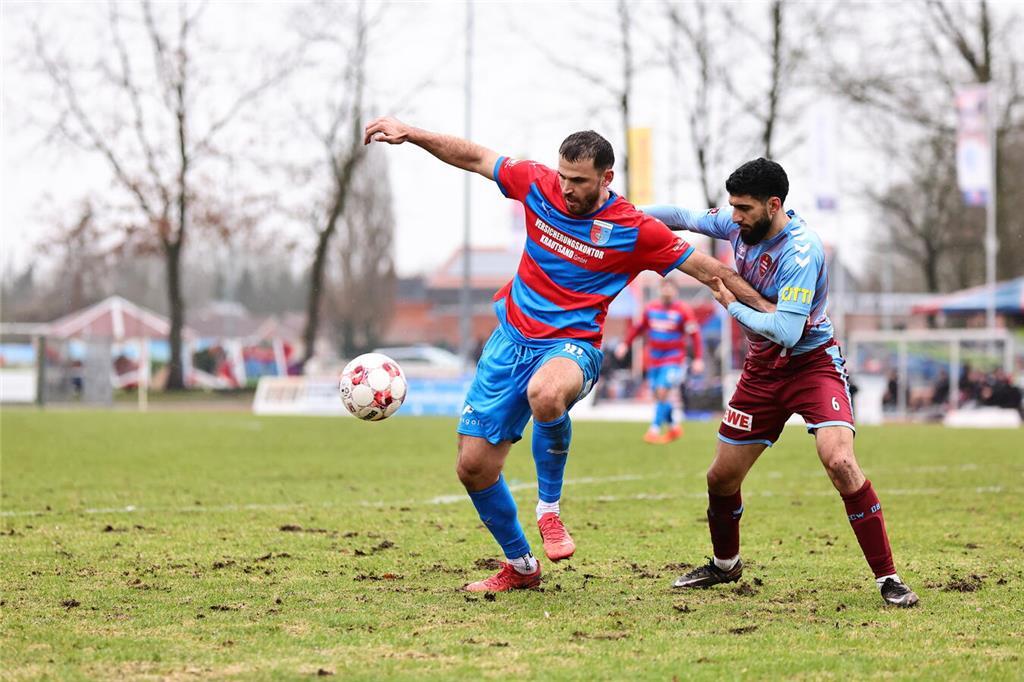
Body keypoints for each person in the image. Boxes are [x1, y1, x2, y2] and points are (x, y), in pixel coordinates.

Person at [364, 116, 772, 592]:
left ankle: (549, 510)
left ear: (606, 178)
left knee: (546, 393)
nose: (567, 188)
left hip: (571, 348)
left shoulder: (634, 229)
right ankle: (520, 568)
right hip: (508, 341)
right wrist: (412, 133)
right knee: (473, 467)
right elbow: (474, 156)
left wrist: (770, 310)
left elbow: (708, 270)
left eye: (579, 180)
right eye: (563, 177)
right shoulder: (538, 185)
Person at [643, 158, 919, 607]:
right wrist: (615, 210)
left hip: (812, 365)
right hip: (761, 371)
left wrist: (731, 305)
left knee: (840, 462)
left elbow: (788, 331)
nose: (735, 216)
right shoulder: (738, 226)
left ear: (774, 205)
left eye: (744, 208)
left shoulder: (802, 251)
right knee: (721, 476)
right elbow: (678, 216)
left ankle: (888, 578)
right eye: (732, 206)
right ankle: (725, 566)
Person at [614, 278, 704, 444]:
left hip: (674, 359)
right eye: (664, 288)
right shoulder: (651, 309)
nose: (667, 291)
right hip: (654, 359)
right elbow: (638, 328)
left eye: (670, 288)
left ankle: (653, 430)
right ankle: (674, 427)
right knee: (659, 396)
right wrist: (625, 344)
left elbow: (695, 336)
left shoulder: (683, 311)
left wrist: (698, 358)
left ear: (675, 291)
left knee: (663, 391)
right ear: (660, 290)